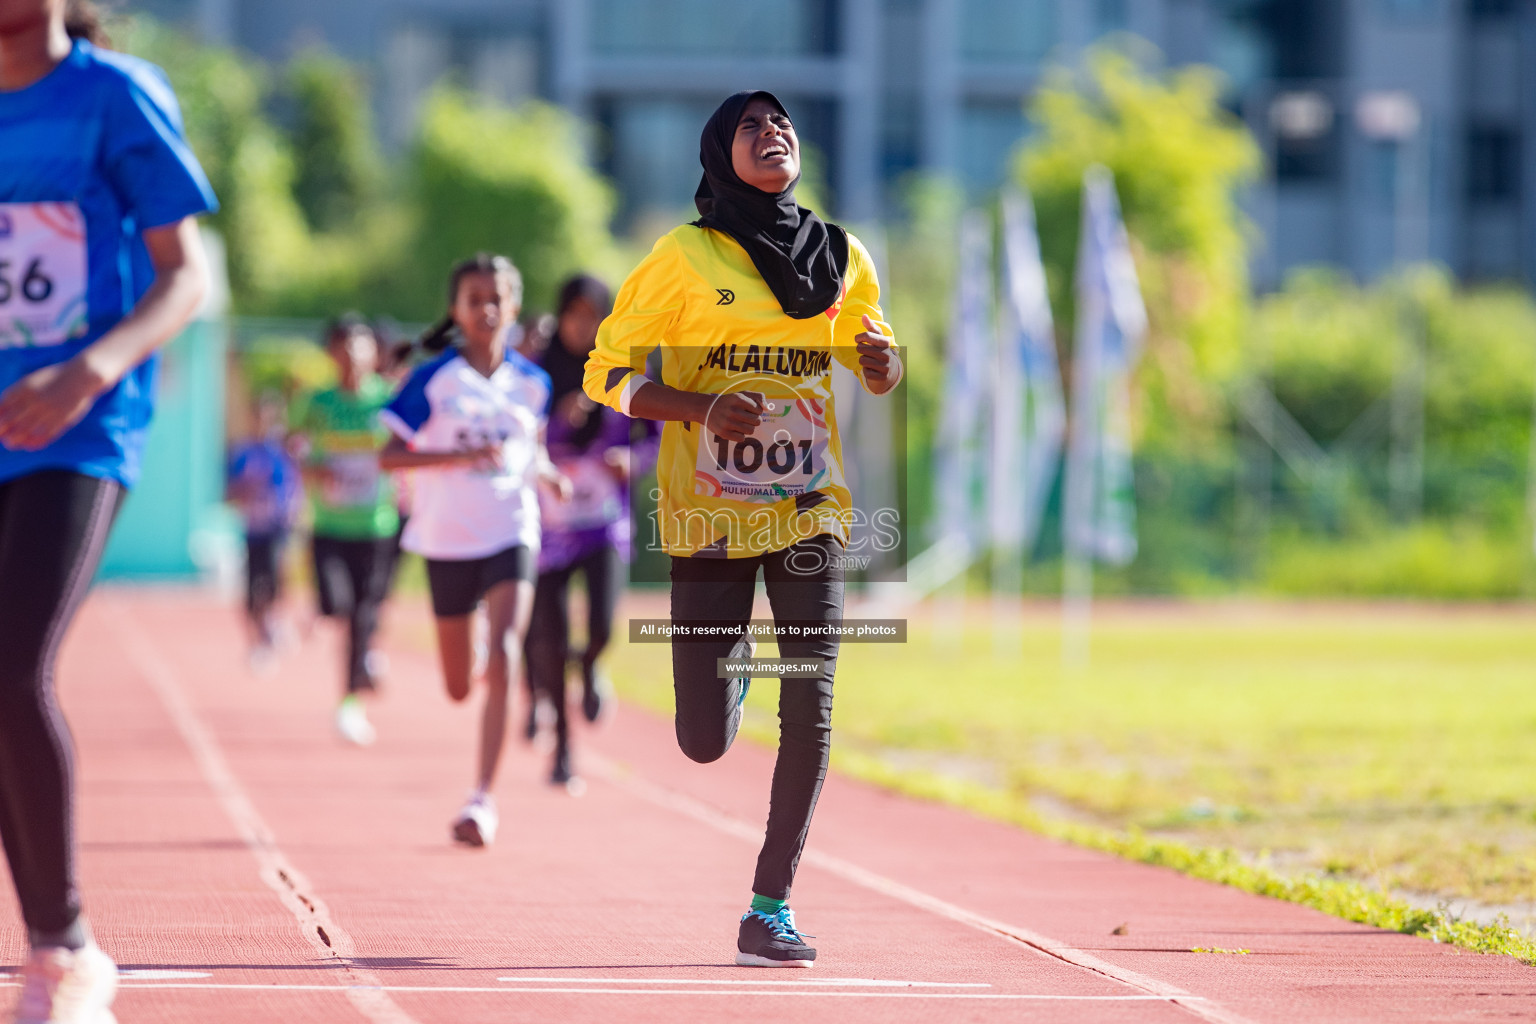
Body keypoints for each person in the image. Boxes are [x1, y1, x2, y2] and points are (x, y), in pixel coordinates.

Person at [583, 91, 901, 968]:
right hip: (709, 519)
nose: (775, 133)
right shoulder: (683, 258)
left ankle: (770, 907)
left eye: (785, 122)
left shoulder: (841, 256)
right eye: (751, 126)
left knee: (814, 705)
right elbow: (603, 374)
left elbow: (875, 363)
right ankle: (729, 687)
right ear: (720, 154)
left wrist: (884, 364)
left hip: (811, 513)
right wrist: (697, 406)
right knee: (700, 741)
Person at [0, 0, 216, 1018]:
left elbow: (188, 277)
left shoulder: (113, 97)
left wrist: (86, 370)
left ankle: (66, 949)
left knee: (11, 663)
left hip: (75, 431)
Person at [380, 253, 568, 847]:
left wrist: (547, 473)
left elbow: (527, 450)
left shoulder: (533, 382)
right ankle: (479, 645)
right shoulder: (433, 379)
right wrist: (455, 459)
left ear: (513, 308)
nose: (486, 308)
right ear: (456, 310)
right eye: (473, 299)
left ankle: (482, 798)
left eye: (497, 299)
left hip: (511, 527)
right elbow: (390, 456)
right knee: (460, 685)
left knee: (510, 650)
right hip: (446, 538)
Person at [525, 274, 657, 789]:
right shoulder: (535, 375)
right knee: (550, 639)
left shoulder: (627, 367)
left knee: (602, 623)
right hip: (550, 530)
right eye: (575, 314)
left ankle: (593, 662)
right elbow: (522, 439)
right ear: (561, 317)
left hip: (604, 525)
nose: (585, 325)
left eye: (595, 315)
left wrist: (634, 458)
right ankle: (562, 750)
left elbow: (661, 437)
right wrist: (560, 421)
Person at [289, 315, 399, 747]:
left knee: (362, 615)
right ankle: (364, 655)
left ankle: (350, 703)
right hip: (330, 525)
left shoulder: (389, 400)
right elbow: (291, 439)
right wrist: (309, 464)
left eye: (361, 344)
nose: (353, 354)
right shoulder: (318, 402)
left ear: (374, 352)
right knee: (335, 606)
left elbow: (415, 439)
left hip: (376, 526)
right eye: (344, 345)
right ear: (331, 354)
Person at [226, 393, 300, 666]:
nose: (264, 423)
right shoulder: (242, 452)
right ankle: (256, 640)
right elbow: (229, 493)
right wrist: (243, 491)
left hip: (278, 527)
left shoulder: (284, 451)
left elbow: (295, 487)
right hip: (252, 530)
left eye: (269, 418)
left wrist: (294, 514)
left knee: (277, 580)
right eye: (259, 417)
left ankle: (274, 623)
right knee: (251, 590)